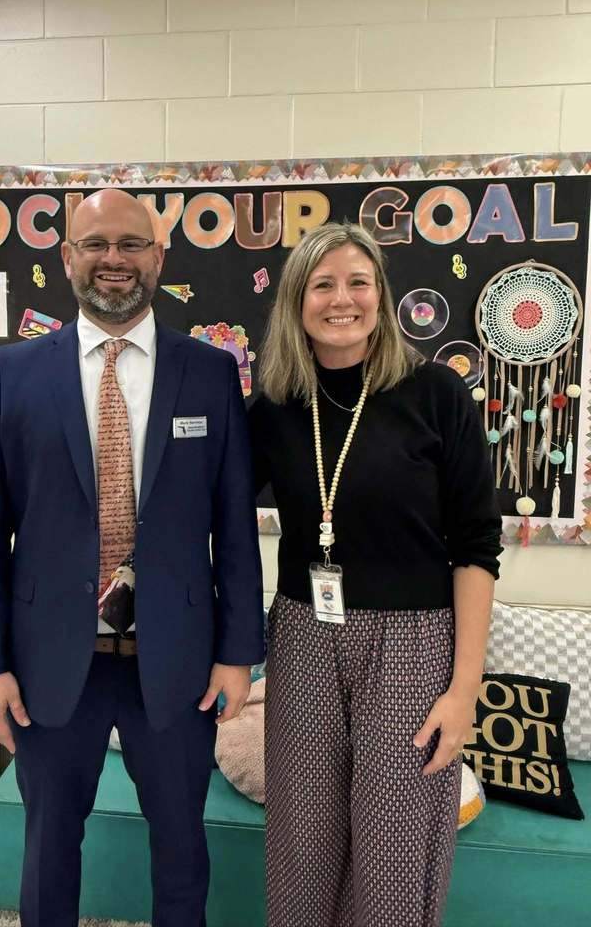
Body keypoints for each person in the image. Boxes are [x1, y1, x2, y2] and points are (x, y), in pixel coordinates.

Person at [0, 189, 265, 927]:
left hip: (179, 663)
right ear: (67, 259)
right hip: (49, 666)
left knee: (183, 847)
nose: (114, 260)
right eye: (95, 245)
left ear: (159, 257)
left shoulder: (211, 373)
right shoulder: (15, 372)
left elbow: (235, 526)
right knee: (50, 846)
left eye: (131, 244)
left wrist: (237, 655)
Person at [249, 221, 502, 927]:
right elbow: (207, 506)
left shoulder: (435, 394)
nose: (343, 299)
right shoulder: (273, 406)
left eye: (359, 282)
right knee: (301, 836)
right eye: (322, 284)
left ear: (381, 297)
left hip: (414, 645)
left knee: (395, 842)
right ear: (296, 301)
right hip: (303, 635)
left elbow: (478, 545)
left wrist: (464, 689)